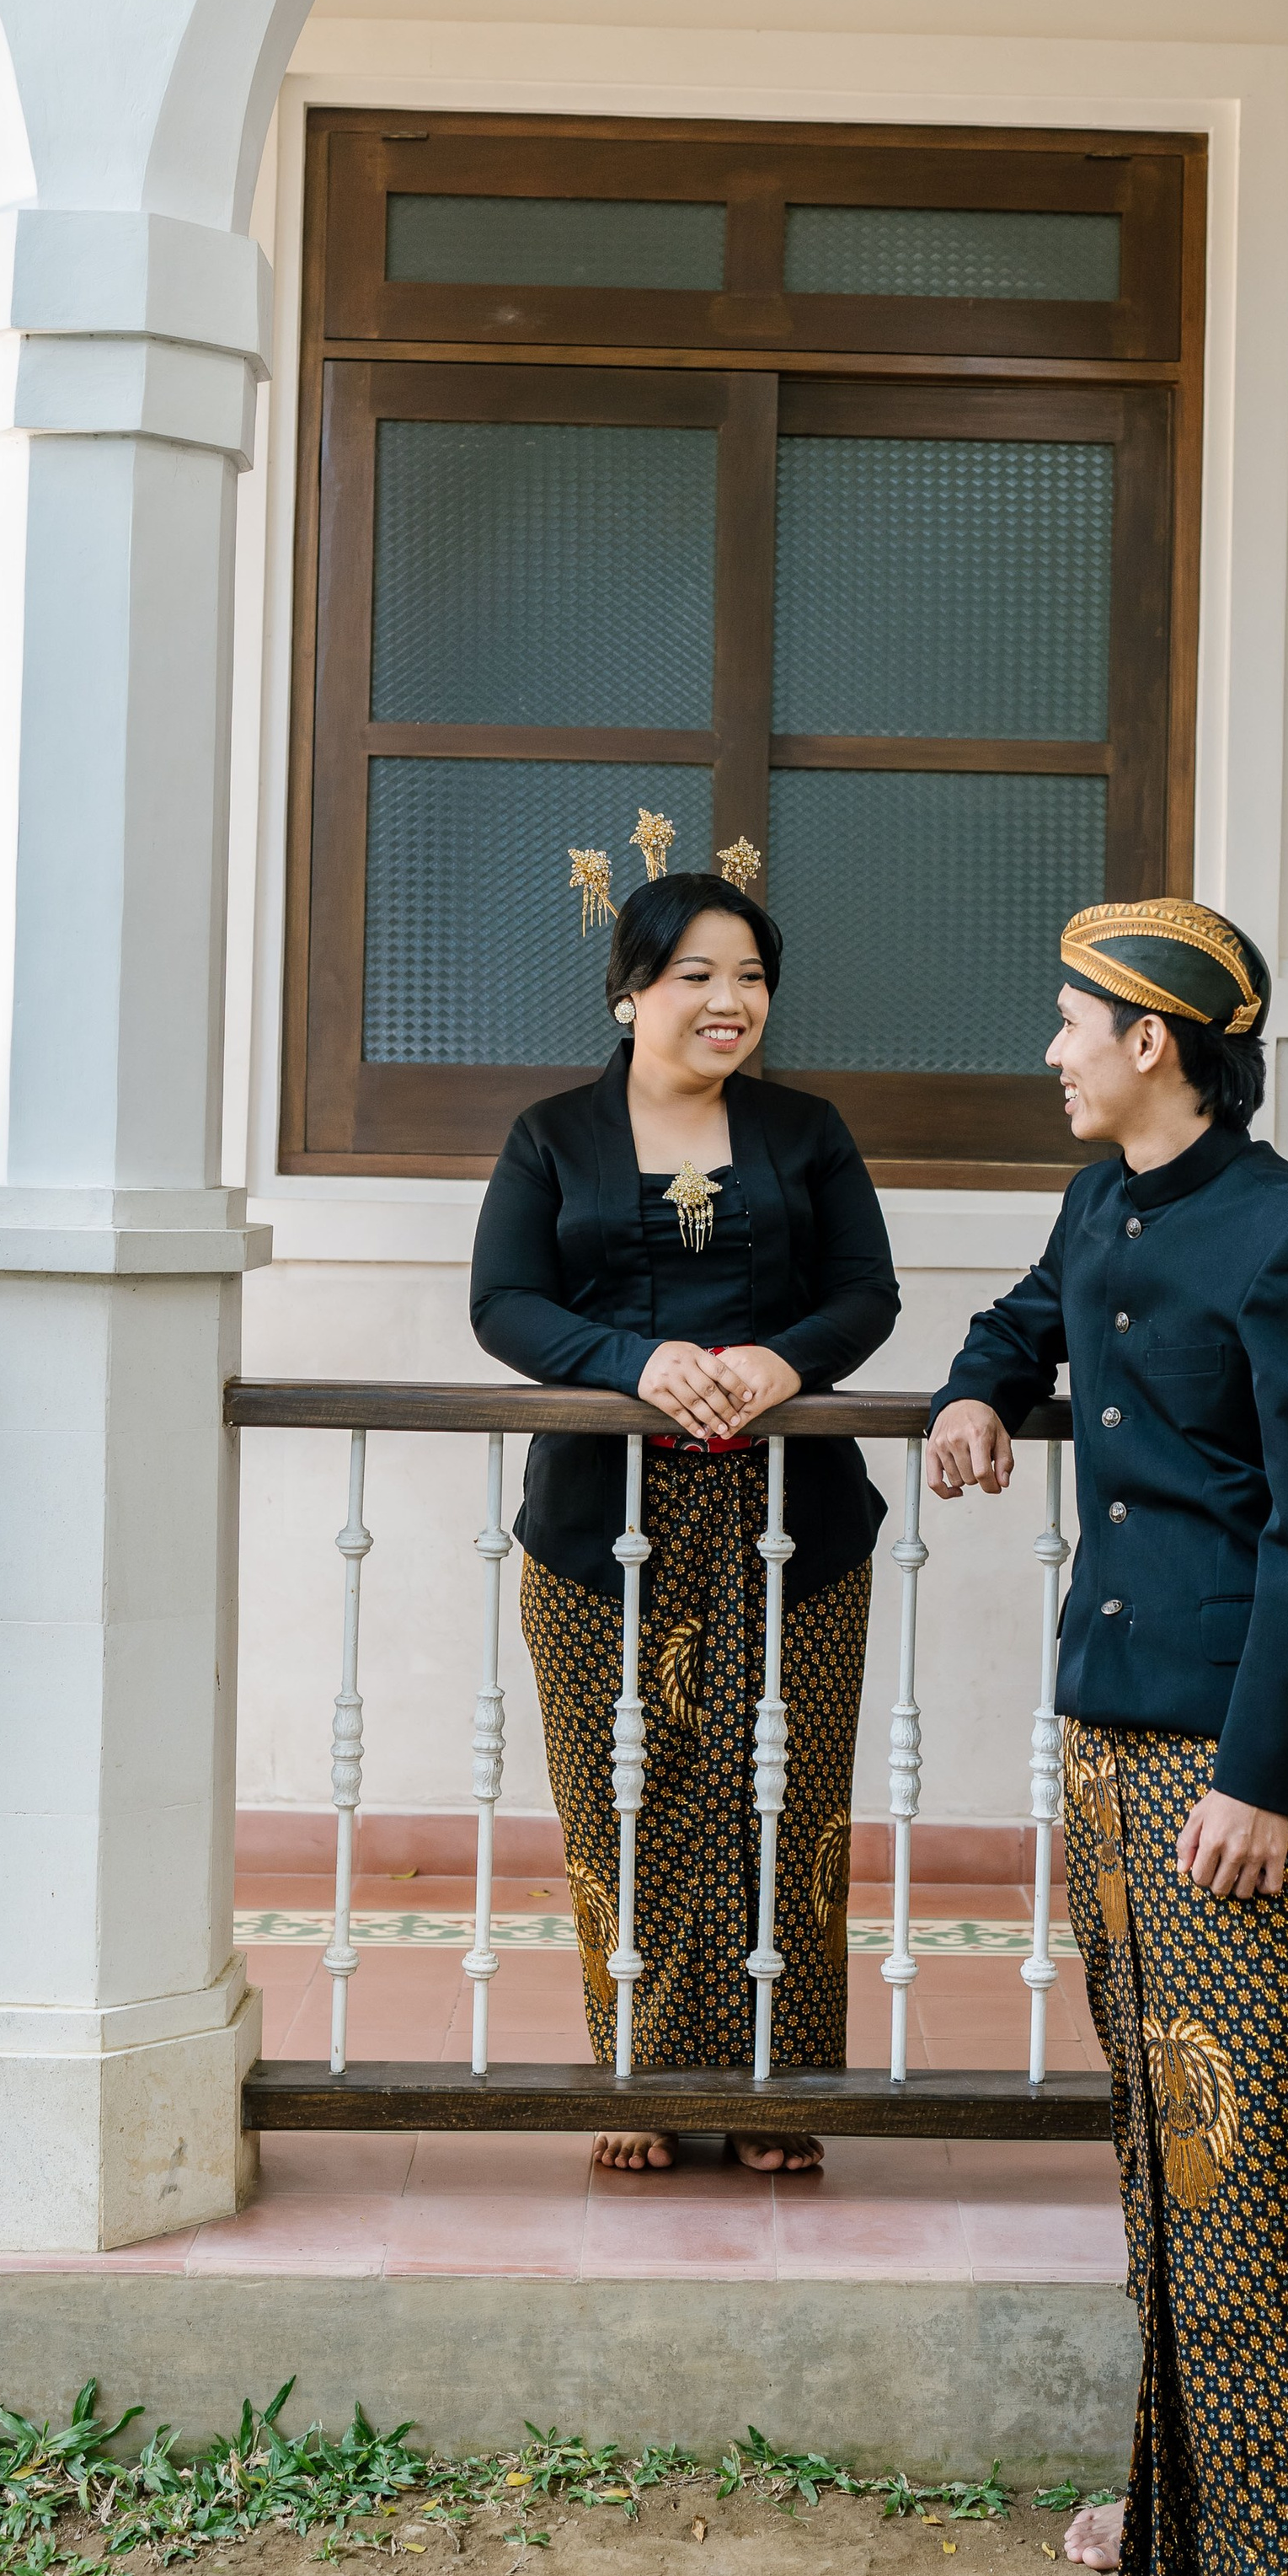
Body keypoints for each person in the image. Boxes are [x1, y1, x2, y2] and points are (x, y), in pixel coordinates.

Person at [926, 899, 1288, 2576]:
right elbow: (1031, 1317)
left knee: (1253, 2156)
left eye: (1069, 1023)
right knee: (1157, 2140)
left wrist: (1266, 1776)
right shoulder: (1103, 1202)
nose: (1047, 1049)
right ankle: (1183, 2497)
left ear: (1154, 1045)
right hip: (1102, 1735)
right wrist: (978, 1392)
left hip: (1228, 1762)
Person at [471, 816, 900, 2177]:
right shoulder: (551, 1137)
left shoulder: (809, 1131)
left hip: (795, 1518)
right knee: (624, 1801)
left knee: (786, 1799)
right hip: (604, 1525)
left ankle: (782, 2097)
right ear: (630, 993)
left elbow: (865, 1294)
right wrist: (639, 1361)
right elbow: (502, 1303)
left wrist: (778, 1360)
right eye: (697, 977)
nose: (731, 1003)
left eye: (753, 977)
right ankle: (640, 2076)